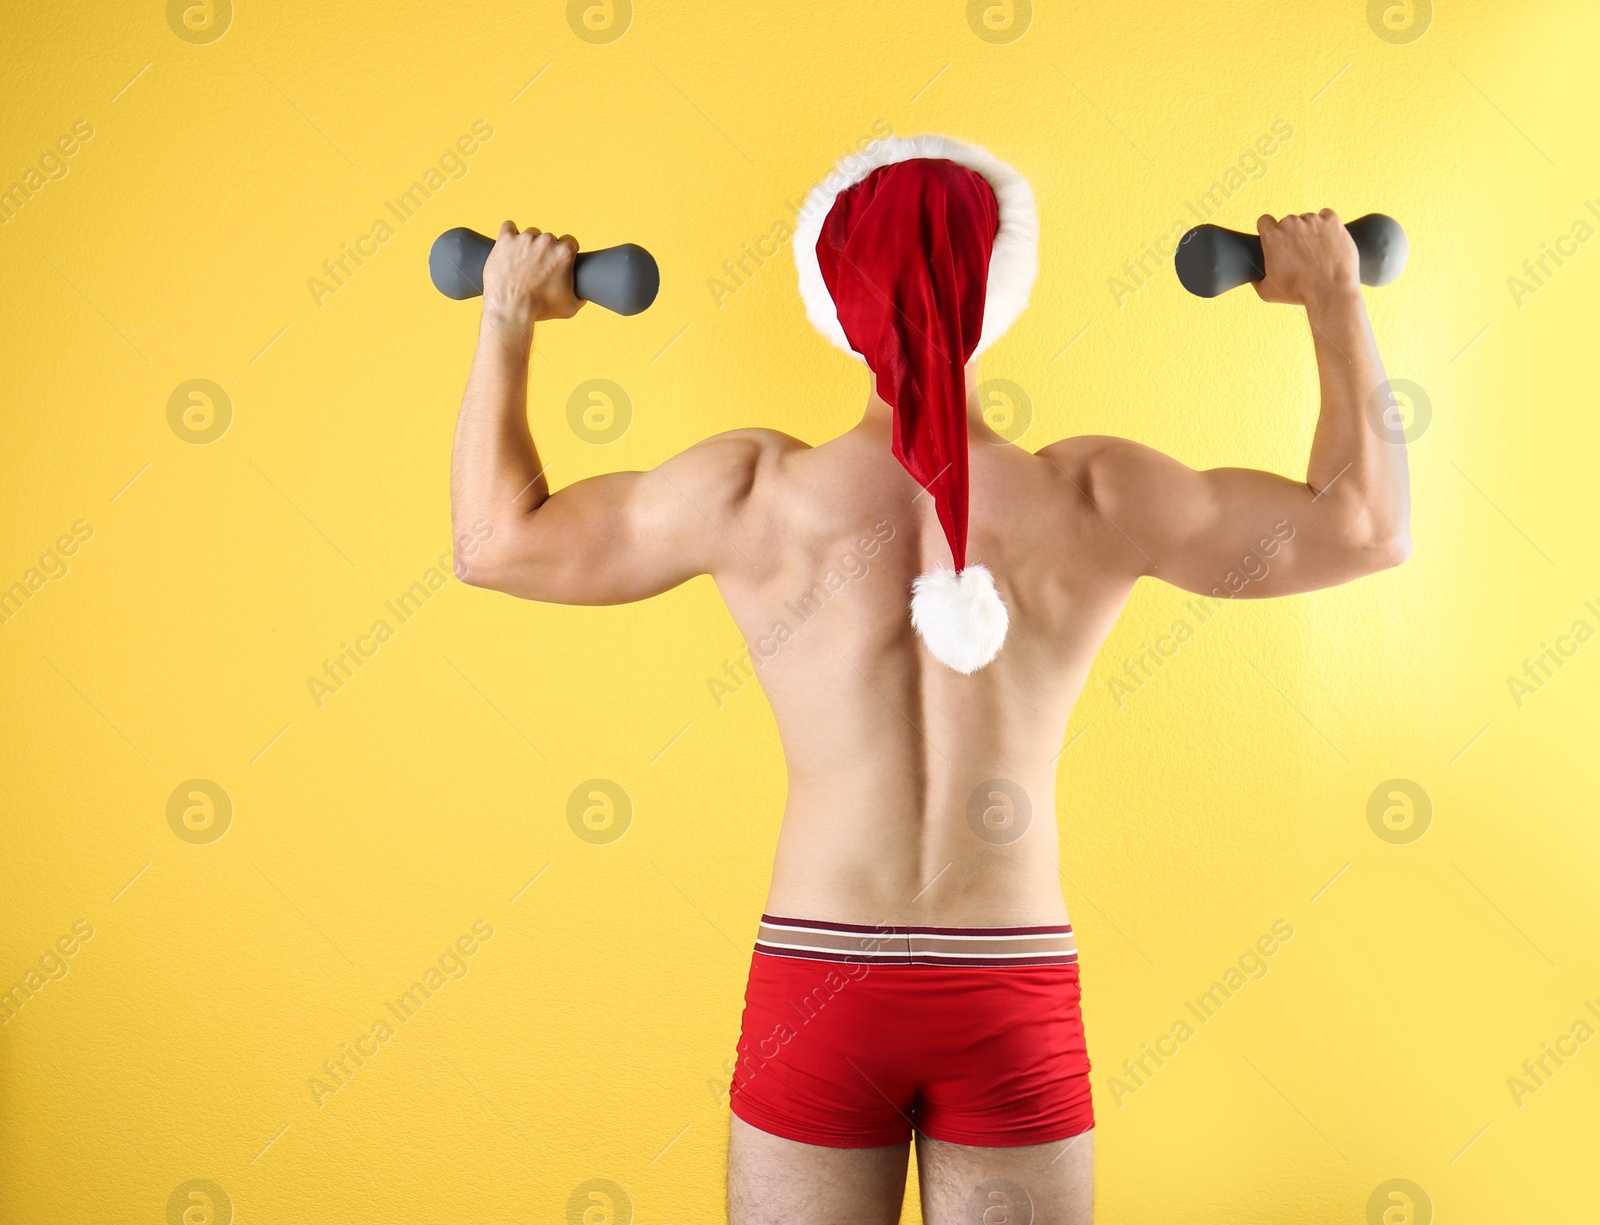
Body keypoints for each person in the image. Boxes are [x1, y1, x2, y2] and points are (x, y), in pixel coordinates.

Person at [448, 135, 1410, 1225]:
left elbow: (493, 543)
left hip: (821, 982)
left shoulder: (752, 495)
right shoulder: (1095, 496)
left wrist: (507, 315)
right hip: (1009, 987)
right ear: (1003, 291)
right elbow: (1366, 528)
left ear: (831, 299)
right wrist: (1333, 299)